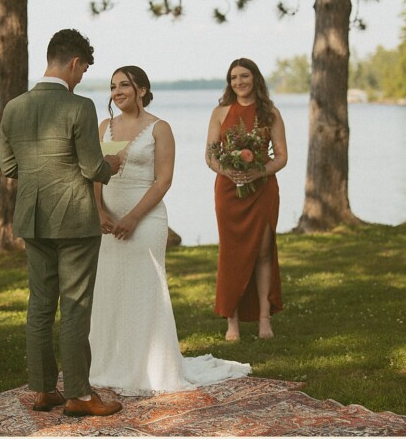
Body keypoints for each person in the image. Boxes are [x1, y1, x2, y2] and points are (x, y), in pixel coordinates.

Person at [89, 66, 250, 395]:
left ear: (142, 90)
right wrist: (100, 211)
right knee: (110, 289)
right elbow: (94, 175)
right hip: (108, 221)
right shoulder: (105, 127)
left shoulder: (159, 128)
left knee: (144, 288)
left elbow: (163, 180)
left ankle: (150, 367)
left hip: (145, 220)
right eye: (113, 86)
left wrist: (133, 218)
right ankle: (108, 364)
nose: (117, 91)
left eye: (125, 85)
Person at [0, 29, 123, 417]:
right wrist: (112, 165)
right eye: (83, 68)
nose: (82, 76)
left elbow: (8, 167)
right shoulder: (80, 106)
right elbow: (91, 166)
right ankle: (79, 395)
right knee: (75, 305)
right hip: (74, 220)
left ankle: (42, 390)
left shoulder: (13, 107)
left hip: (32, 218)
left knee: (39, 305)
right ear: (73, 62)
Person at [205, 57, 288, 341]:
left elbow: (282, 156)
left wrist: (257, 173)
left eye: (244, 76)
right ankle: (233, 323)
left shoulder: (270, 112)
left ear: (255, 78)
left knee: (264, 252)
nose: (238, 82)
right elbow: (211, 154)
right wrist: (227, 170)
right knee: (230, 253)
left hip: (262, 189)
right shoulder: (220, 112)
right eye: (233, 77)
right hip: (228, 191)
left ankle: (265, 320)